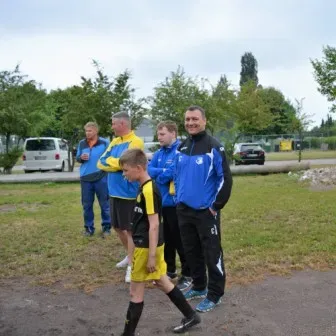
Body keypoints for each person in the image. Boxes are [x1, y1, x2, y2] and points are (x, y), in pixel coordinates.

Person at [118, 148, 201, 335]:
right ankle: (191, 315)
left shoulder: (149, 189)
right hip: (150, 245)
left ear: (138, 168)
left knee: (135, 293)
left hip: (147, 248)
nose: (124, 174)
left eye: (125, 170)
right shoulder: (145, 186)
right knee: (162, 281)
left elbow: (154, 224)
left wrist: (152, 256)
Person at [174, 105, 233, 313]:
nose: (191, 123)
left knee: (211, 253)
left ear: (204, 121)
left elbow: (225, 179)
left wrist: (216, 206)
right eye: (188, 119)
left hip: (206, 212)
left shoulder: (213, 147)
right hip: (184, 210)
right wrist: (178, 199)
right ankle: (199, 286)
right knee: (191, 251)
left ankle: (215, 294)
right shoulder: (182, 146)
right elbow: (178, 176)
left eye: (195, 119)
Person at [97, 112, 144, 283]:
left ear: (122, 123)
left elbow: (128, 164)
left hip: (128, 194)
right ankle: (129, 255)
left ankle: (134, 265)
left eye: (114, 123)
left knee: (130, 230)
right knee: (117, 227)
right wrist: (117, 163)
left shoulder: (136, 141)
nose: (112, 127)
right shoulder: (115, 141)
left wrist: (114, 163)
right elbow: (101, 162)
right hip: (113, 192)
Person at [148, 121, 191, 291]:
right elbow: (149, 170)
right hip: (162, 203)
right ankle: (170, 270)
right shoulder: (158, 153)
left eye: (162, 134)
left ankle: (188, 274)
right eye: (158, 135)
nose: (159, 138)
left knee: (180, 240)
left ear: (173, 133)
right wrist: (161, 172)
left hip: (176, 204)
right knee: (166, 240)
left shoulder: (180, 151)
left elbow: (172, 173)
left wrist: (161, 173)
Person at [76, 122, 111, 237]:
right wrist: (81, 157)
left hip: (101, 177)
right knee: (86, 205)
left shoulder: (105, 143)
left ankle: (106, 228)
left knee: (105, 204)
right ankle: (89, 228)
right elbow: (77, 157)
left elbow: (110, 158)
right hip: (85, 178)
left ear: (96, 131)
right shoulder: (82, 143)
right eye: (86, 131)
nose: (87, 133)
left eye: (89, 131)